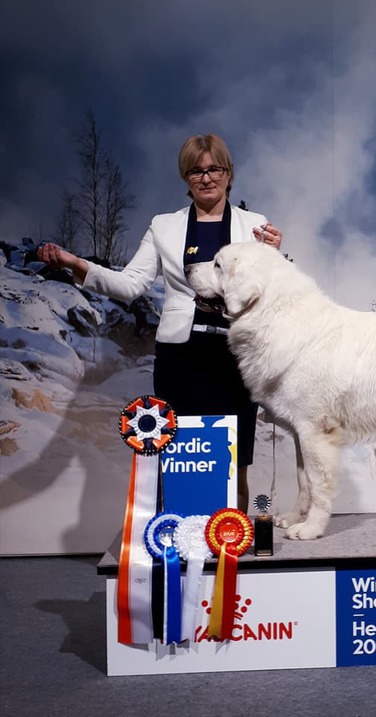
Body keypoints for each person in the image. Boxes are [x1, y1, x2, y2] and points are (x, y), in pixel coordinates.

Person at [38, 133, 283, 512]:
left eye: (214, 168)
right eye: (196, 171)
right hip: (180, 360)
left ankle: (233, 554)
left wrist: (274, 258)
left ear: (229, 174)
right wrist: (77, 265)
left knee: (237, 463)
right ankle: (181, 551)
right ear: (186, 178)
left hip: (237, 359)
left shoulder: (255, 226)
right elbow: (131, 284)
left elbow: (269, 289)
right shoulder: (163, 227)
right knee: (182, 458)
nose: (206, 177)